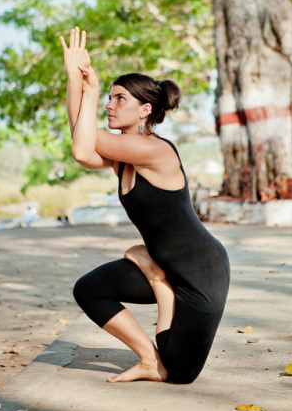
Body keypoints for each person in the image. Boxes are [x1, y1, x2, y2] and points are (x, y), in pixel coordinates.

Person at [60, 27, 230, 384]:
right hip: (167, 262)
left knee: (181, 373)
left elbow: (81, 144)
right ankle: (147, 358)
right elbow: (82, 139)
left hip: (201, 273)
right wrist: (74, 79)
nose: (109, 104)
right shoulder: (120, 157)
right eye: (108, 97)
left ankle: (158, 282)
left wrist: (89, 90)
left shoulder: (154, 151)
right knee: (88, 290)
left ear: (145, 110)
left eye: (119, 98)